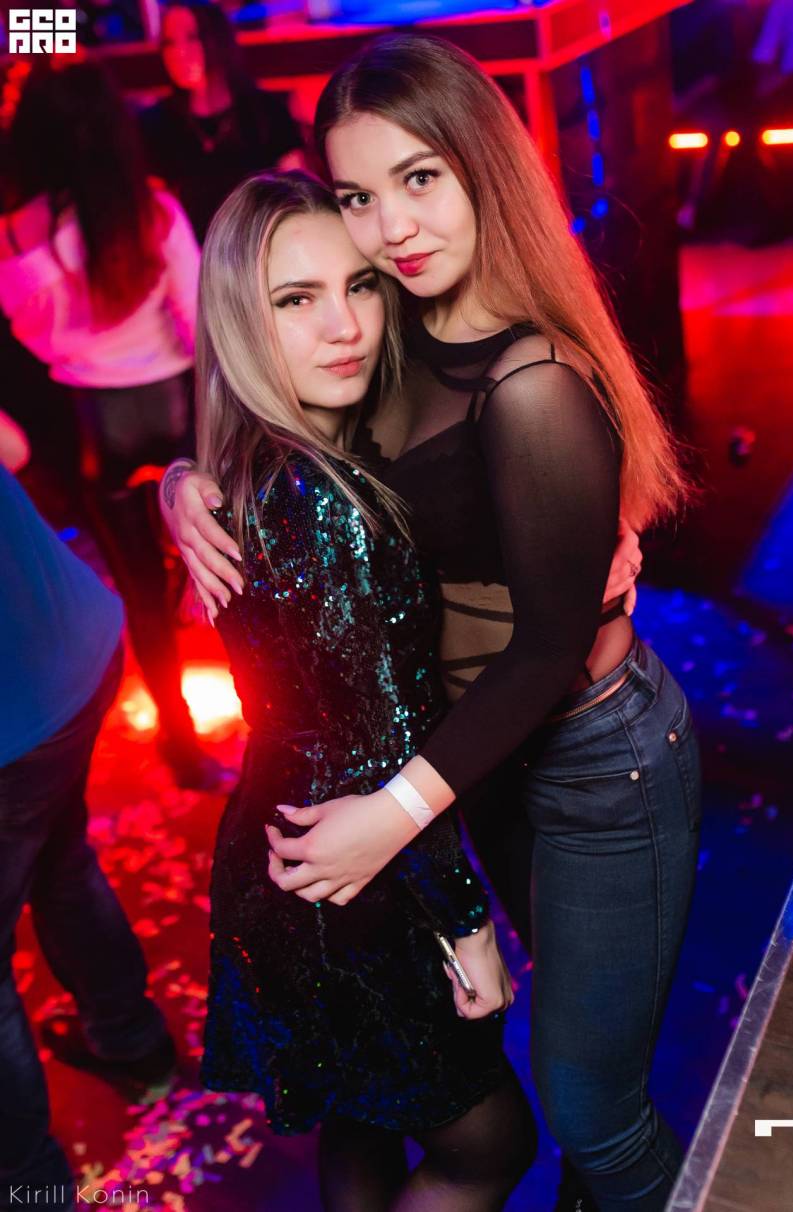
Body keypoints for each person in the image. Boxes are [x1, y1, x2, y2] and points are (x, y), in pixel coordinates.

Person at [161, 35, 702, 1212]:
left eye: (419, 178)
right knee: (529, 1086)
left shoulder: (530, 381)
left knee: (589, 1112)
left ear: (481, 165)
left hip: (586, 761)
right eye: (359, 194)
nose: (391, 229)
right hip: (471, 762)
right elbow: (284, 385)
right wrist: (186, 476)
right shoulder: (389, 325)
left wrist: (393, 820)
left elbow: (545, 650)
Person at [193, 170, 536, 1212]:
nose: (343, 326)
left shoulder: (252, 462)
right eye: (296, 299)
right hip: (354, 880)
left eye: (359, 287)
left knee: (362, 1121)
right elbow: (382, 743)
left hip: (278, 848)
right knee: (489, 1145)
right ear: (240, 320)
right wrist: (467, 923)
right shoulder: (318, 498)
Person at [0, 58, 223, 790]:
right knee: (217, 564)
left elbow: (30, 333)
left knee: (139, 593)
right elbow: (199, 318)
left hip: (95, 419)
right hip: (175, 407)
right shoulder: (150, 208)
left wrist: (77, 335)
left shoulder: (22, 229)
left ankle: (182, 745)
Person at [0, 411, 175, 1210]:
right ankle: (133, 1043)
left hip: (16, 716)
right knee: (62, 862)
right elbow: (13, 446)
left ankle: (28, 1185)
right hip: (70, 648)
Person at [140, 0, 304, 243]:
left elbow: (300, 194)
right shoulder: (156, 123)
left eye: (192, 37)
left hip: (263, 246)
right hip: (194, 255)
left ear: (216, 39)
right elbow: (155, 215)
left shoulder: (266, 112)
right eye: (169, 43)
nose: (178, 52)